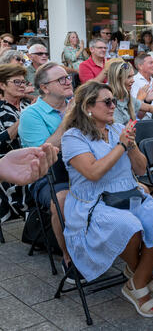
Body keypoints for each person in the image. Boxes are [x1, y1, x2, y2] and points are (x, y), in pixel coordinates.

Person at [60, 81, 153, 316]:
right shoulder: (73, 137)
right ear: (88, 107)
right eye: (108, 101)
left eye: (115, 101)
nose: (114, 105)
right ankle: (141, 276)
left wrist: (131, 146)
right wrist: (122, 145)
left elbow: (142, 169)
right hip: (93, 201)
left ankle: (137, 280)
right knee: (129, 226)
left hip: (127, 193)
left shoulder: (117, 128)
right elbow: (93, 173)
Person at [18, 62, 77, 281]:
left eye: (67, 77)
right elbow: (41, 155)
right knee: (62, 201)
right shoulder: (32, 115)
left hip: (82, 169)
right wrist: (69, 120)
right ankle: (69, 258)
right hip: (48, 177)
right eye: (60, 79)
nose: (67, 81)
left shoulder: (77, 105)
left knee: (136, 188)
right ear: (44, 88)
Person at [0, 64, 33, 221]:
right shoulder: (1, 110)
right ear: (2, 85)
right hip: (9, 162)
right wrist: (26, 116)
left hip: (34, 156)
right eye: (16, 82)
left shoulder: (27, 105)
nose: (22, 86)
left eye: (24, 82)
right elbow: (2, 141)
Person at [131, 53, 153, 120]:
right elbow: (135, 106)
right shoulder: (133, 81)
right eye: (151, 63)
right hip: (143, 118)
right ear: (140, 66)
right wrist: (147, 99)